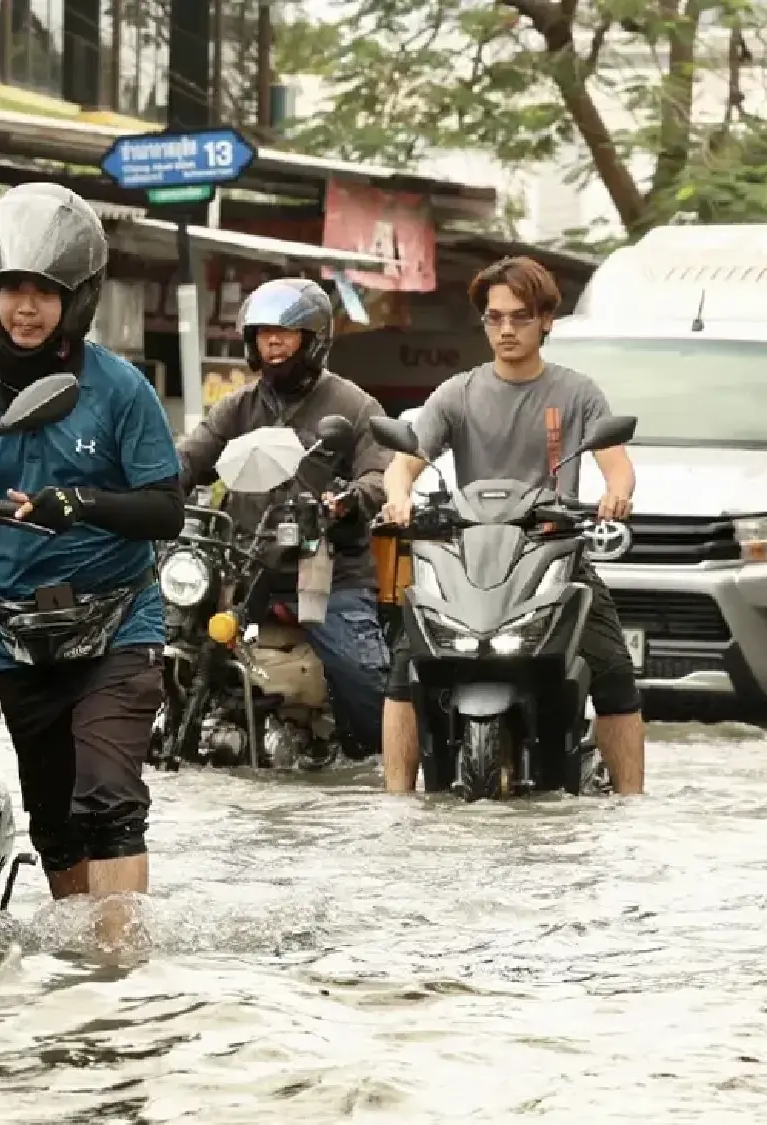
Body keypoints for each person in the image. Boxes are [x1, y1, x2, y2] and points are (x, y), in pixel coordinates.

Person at [0, 183, 183, 941]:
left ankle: (119, 964)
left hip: (118, 626)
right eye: (11, 293)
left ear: (77, 299)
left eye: (43, 294)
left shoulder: (121, 390)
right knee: (56, 822)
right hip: (17, 636)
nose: (25, 310)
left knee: (109, 801)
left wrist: (82, 503)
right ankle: (71, 966)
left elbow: (167, 509)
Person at [378, 255, 646, 795]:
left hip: (555, 554)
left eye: (520, 317)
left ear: (547, 319)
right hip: (467, 560)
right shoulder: (457, 392)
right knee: (406, 671)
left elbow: (616, 465)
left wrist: (615, 496)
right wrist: (398, 499)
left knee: (616, 673)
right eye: (494, 317)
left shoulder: (578, 393)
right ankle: (396, 803)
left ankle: (633, 804)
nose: (505, 329)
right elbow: (403, 462)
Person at [174, 277, 394, 758]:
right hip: (244, 564)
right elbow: (189, 459)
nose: (272, 343)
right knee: (169, 645)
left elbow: (380, 474)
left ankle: (376, 761)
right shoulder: (238, 407)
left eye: (285, 333)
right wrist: (151, 490)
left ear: (312, 340)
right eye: (262, 333)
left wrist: (349, 500)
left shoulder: (353, 407)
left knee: (363, 679)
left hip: (327, 572)